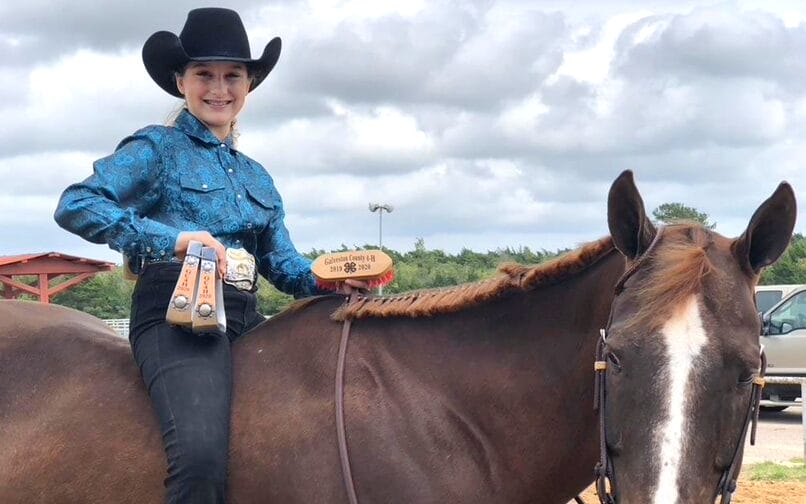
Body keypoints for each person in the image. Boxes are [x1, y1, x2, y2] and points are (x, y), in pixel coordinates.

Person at [54, 8, 361, 503]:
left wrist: (336, 279)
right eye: (204, 74)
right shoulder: (156, 148)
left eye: (232, 75)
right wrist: (174, 239)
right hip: (177, 316)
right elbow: (77, 205)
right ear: (180, 81)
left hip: (246, 315)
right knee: (199, 458)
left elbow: (284, 266)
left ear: (250, 85)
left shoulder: (258, 176)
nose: (219, 88)